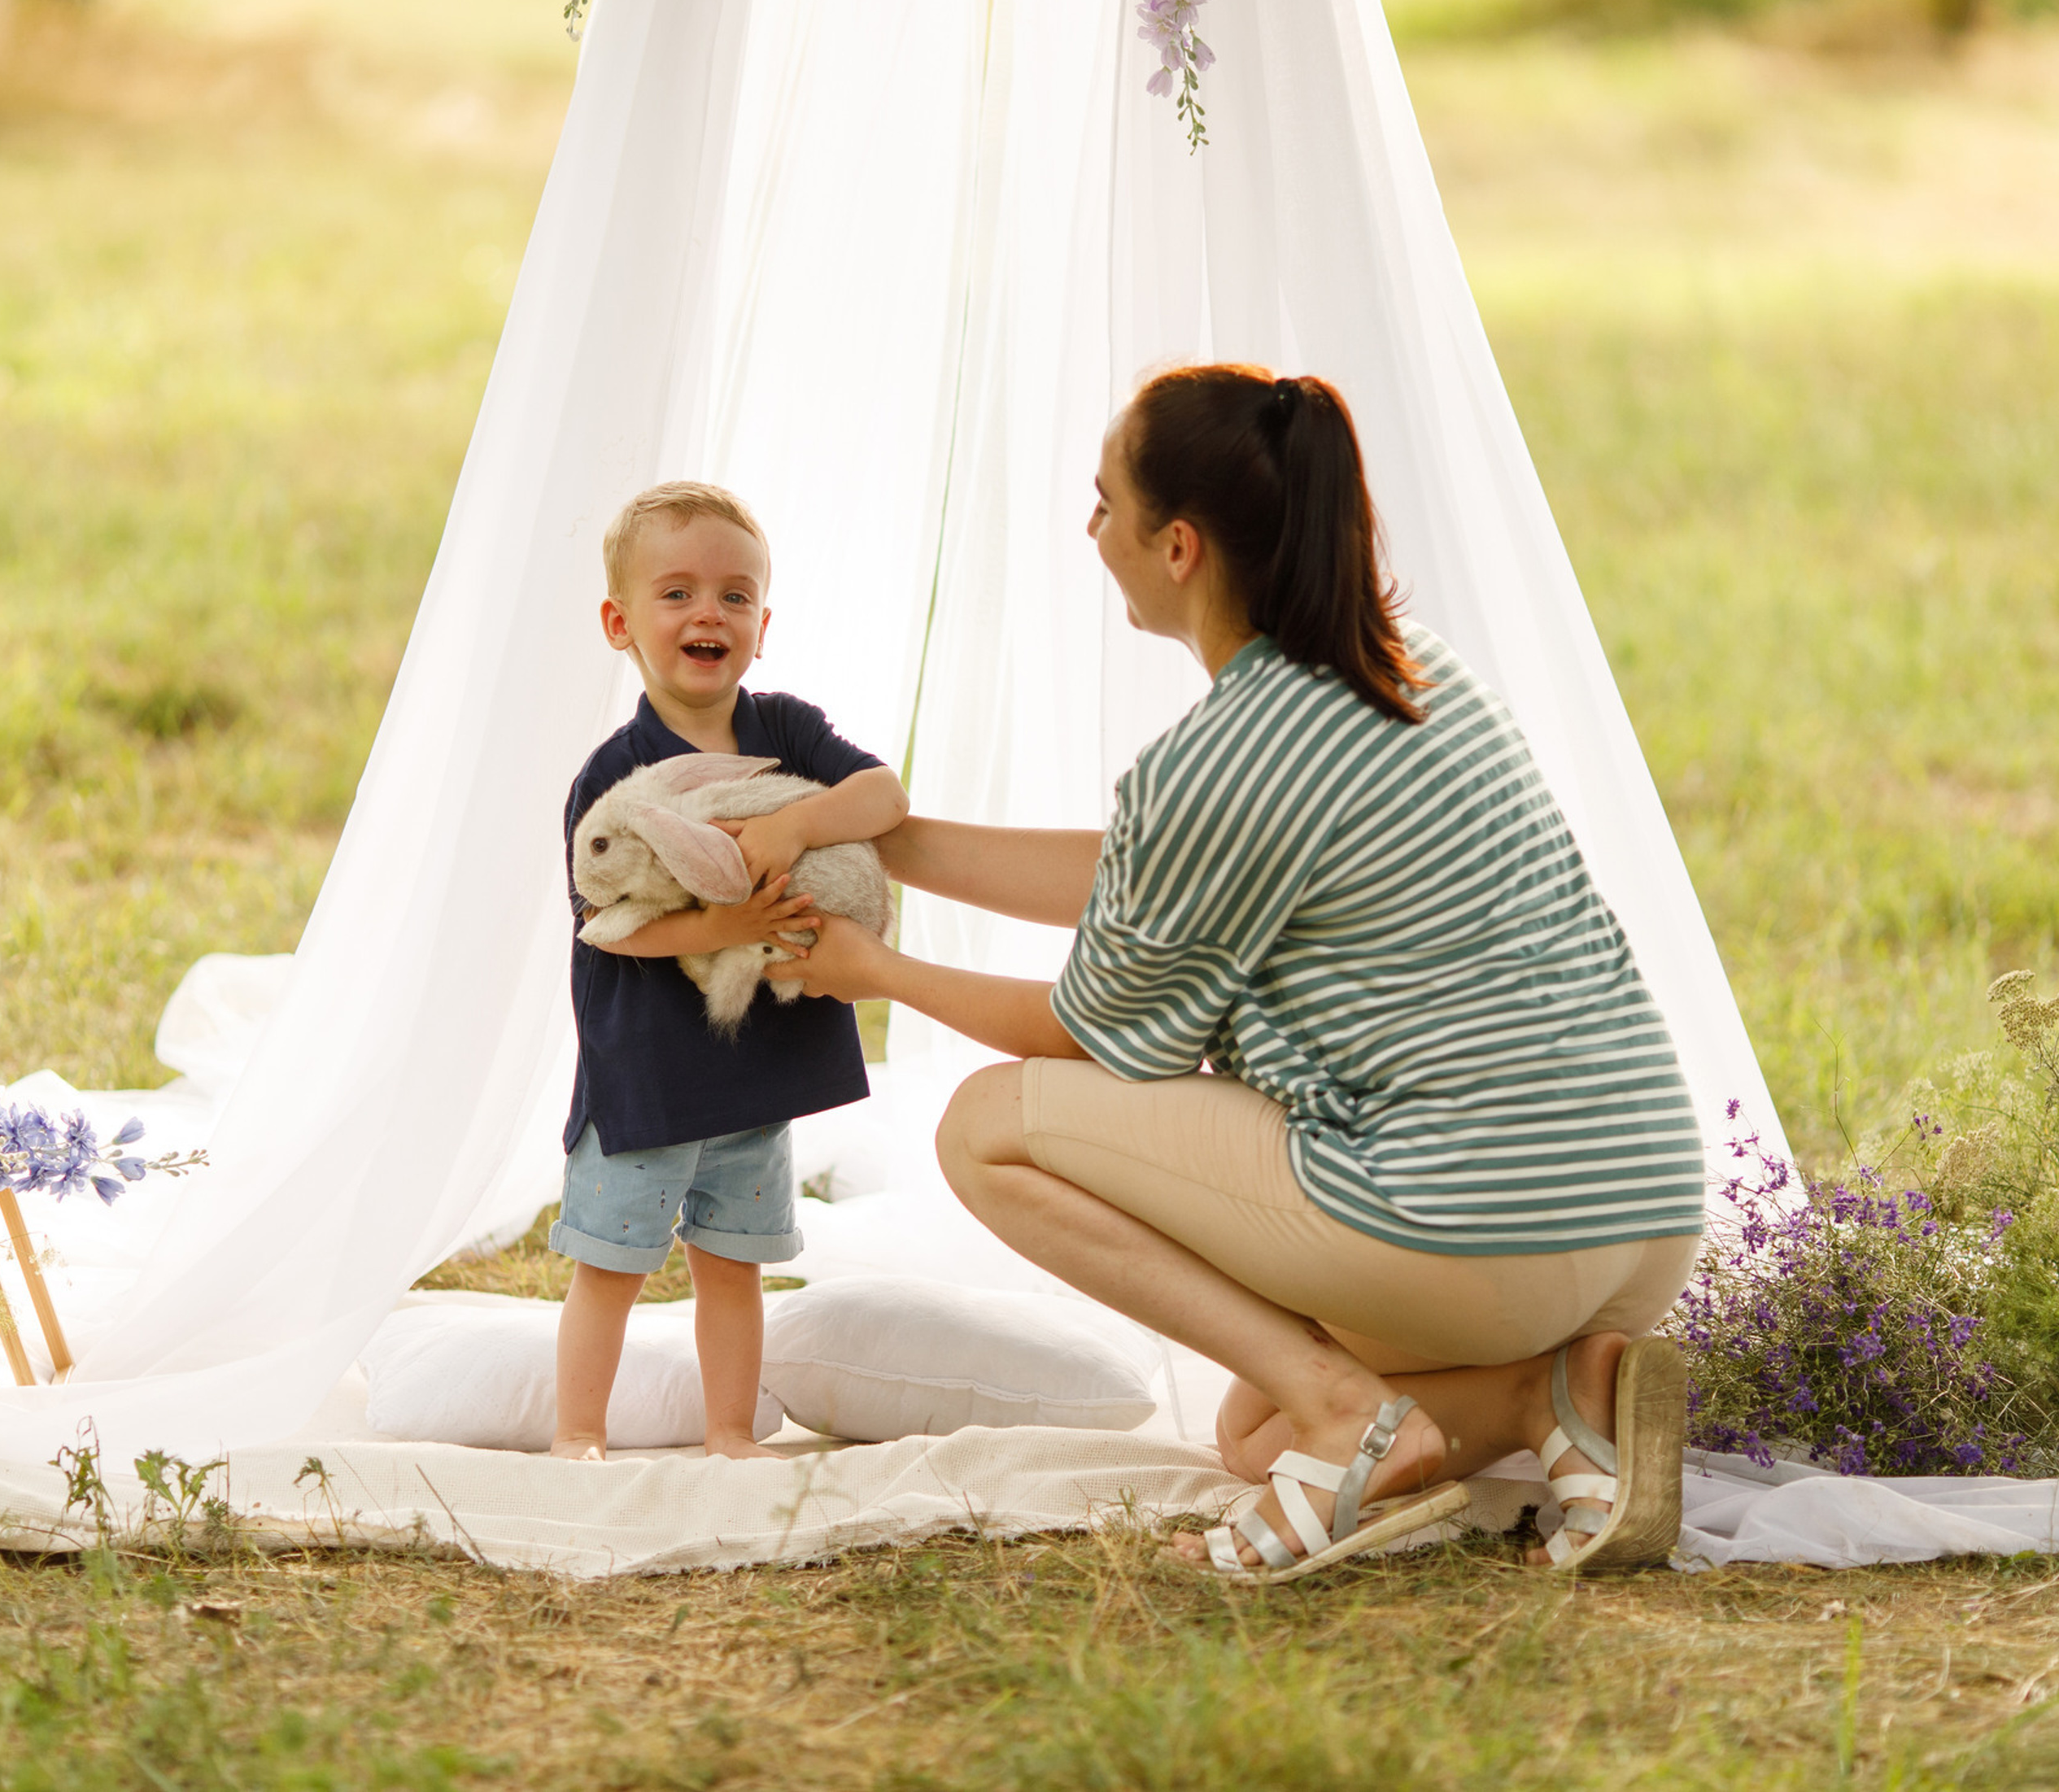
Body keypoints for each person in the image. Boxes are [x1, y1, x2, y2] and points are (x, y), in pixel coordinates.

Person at [774, 364, 1707, 1578]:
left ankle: (1352, 1420)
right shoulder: (1409, 667)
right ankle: (1552, 1395)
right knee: (1249, 1429)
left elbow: (1084, 1037)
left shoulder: (1216, 768)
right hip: (1636, 1211)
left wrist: (878, 970)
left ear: (1177, 546)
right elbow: (1153, 877)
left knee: (986, 1124)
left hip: (1480, 1229)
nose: (1088, 526)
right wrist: (885, 841)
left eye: (1103, 501)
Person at [550, 482, 909, 1462]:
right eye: (676, 593)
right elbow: (609, 927)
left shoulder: (785, 731)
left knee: (733, 1264)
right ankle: (577, 1431)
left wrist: (797, 823)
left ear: (761, 625)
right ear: (621, 622)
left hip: (751, 1076)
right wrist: (730, 918)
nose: (708, 612)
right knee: (610, 1262)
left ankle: (727, 1431)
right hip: (650, 1071)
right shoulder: (617, 775)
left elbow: (882, 793)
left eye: (734, 595)